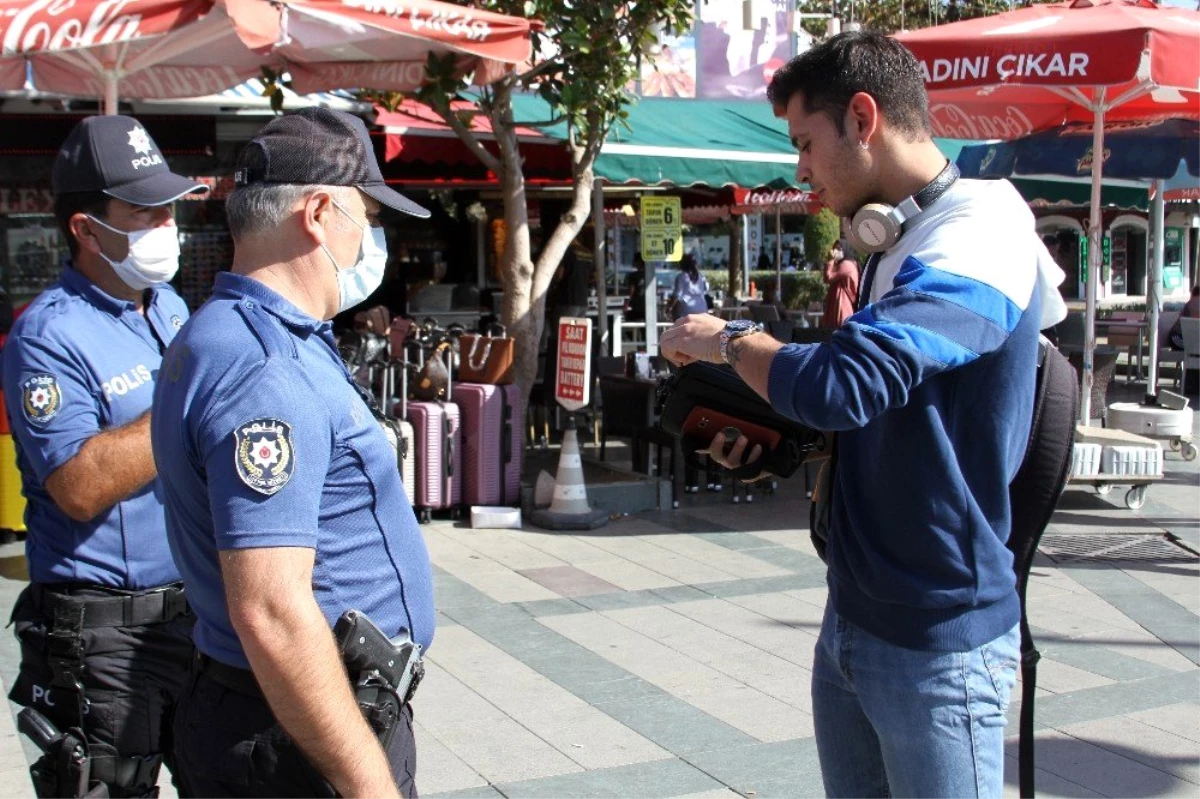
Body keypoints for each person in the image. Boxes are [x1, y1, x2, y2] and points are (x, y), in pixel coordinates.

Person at [659, 31, 1066, 799]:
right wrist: (780, 444)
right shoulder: (895, 240)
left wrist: (730, 341)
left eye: (806, 142)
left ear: (863, 118)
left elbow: (848, 383)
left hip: (939, 642)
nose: (801, 167)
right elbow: (879, 414)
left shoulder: (981, 234)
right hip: (851, 616)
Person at [151, 108, 436, 799]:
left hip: (285, 714)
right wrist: (369, 784)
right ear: (318, 213)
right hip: (297, 733)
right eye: (364, 215)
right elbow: (272, 610)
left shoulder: (249, 334)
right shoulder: (263, 366)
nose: (371, 237)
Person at [2, 116, 206, 798]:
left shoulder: (170, 306)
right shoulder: (48, 333)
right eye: (143, 210)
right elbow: (80, 484)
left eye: (168, 206)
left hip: (193, 613)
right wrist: (187, 401)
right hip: (103, 641)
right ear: (86, 229)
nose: (165, 222)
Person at [821, 240, 859, 328]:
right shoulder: (844, 263)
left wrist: (831, 260)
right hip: (838, 301)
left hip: (842, 303)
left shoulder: (846, 264)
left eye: (839, 249)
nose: (836, 252)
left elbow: (829, 277)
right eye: (834, 248)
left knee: (838, 326)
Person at [669, 254, 709, 320]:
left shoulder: (681, 276)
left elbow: (676, 294)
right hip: (702, 308)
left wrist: (670, 307)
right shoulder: (701, 276)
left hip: (686, 310)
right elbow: (706, 289)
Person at [1167, 285, 1200, 349]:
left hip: (1181, 337)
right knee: (1194, 346)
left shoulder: (1191, 303)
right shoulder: (1193, 304)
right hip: (1178, 337)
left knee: (1194, 346)